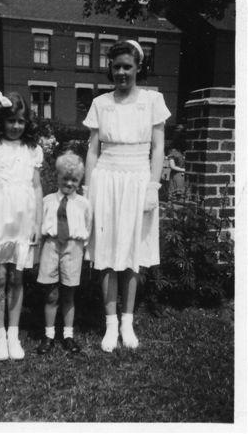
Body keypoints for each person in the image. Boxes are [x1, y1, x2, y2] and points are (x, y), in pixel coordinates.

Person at [83, 40, 170, 352]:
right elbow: (92, 150)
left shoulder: (152, 100)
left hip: (137, 179)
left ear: (138, 68)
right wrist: (88, 190)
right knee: (105, 254)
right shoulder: (100, 103)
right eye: (116, 66)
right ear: (111, 68)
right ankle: (109, 324)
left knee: (132, 254)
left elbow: (158, 147)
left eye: (127, 66)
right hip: (106, 179)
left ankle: (127, 322)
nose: (121, 72)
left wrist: (152, 187)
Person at [0, 90, 43, 361]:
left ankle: (14, 333)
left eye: (21, 121)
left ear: (27, 123)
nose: (16, 126)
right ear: (1, 120)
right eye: (11, 120)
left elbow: (36, 188)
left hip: (23, 218)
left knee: (17, 276)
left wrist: (37, 222)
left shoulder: (32, 150)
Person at [36, 152, 92, 355]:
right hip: (51, 246)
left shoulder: (84, 204)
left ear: (80, 181)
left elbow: (88, 225)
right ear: (57, 176)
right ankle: (49, 336)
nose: (69, 183)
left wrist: (83, 248)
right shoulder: (47, 201)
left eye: (74, 180)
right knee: (51, 295)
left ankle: (68, 335)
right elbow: (40, 225)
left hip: (73, 248)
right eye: (65, 178)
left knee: (69, 293)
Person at [168, 124, 186, 200]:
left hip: (184, 176)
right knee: (176, 196)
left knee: (183, 196)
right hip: (177, 176)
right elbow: (172, 166)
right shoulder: (173, 151)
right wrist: (183, 170)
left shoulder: (184, 151)